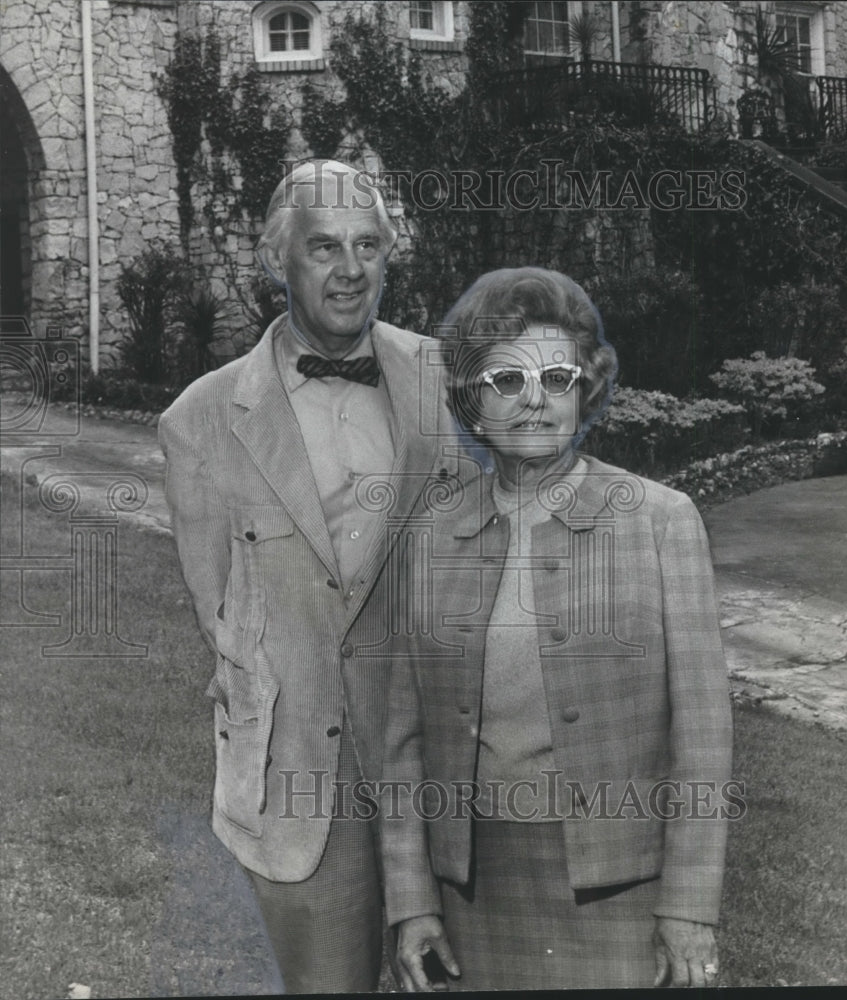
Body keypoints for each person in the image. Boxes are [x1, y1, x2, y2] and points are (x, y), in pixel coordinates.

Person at [381, 267, 735, 991]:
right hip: (471, 890)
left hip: (618, 887)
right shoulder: (429, 534)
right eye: (505, 381)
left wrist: (688, 905)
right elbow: (401, 740)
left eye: (556, 377)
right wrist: (412, 899)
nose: (534, 401)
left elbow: (702, 734)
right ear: (471, 403)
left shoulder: (658, 520)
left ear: (587, 390)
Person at [158, 160, 456, 993]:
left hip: (449, 770)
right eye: (323, 247)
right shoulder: (199, 422)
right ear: (272, 260)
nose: (350, 269)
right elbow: (222, 614)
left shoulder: (452, 384)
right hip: (302, 784)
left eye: (368, 245)